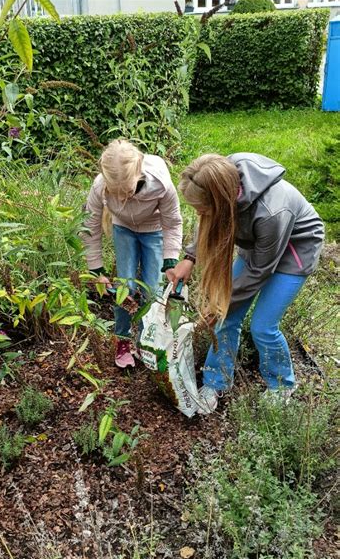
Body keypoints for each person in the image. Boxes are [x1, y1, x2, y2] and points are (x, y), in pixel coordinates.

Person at [167, 152, 324, 414]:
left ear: (222, 200)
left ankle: (282, 384)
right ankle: (216, 382)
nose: (199, 214)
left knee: (263, 326)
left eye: (202, 209)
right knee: (227, 315)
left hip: (294, 253)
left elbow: (259, 272)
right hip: (258, 246)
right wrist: (190, 257)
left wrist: (218, 305)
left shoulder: (272, 210)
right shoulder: (218, 175)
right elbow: (209, 220)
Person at [82, 139, 183, 368]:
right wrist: (96, 268)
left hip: (154, 230)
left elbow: (173, 222)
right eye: (117, 194)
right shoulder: (100, 186)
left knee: (153, 290)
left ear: (137, 174)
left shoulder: (160, 183)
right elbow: (90, 226)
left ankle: (147, 342)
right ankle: (124, 341)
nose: (124, 198)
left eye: (127, 191)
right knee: (124, 288)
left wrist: (170, 258)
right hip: (123, 229)